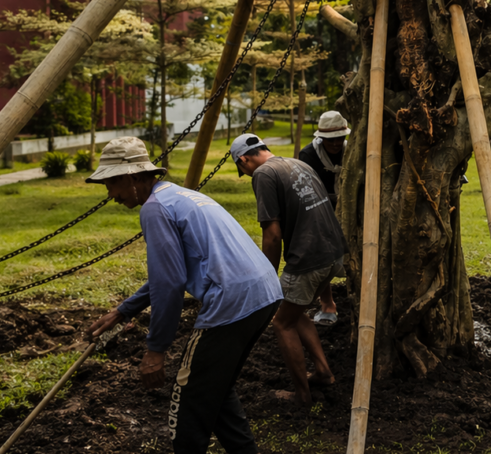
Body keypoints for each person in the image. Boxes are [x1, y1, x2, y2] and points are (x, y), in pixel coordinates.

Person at [85, 137, 282, 454]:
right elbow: (169, 273)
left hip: (231, 300)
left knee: (188, 400)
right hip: (264, 292)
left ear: (134, 177)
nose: (110, 194)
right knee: (214, 389)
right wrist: (123, 311)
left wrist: (156, 349)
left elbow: (169, 283)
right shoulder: (178, 196)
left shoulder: (154, 209)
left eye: (111, 183)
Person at [230, 134, 347, 404]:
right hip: (333, 252)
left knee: (282, 324)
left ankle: (302, 395)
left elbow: (272, 235)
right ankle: (323, 372)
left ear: (244, 159)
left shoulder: (263, 174)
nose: (247, 174)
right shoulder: (297, 163)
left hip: (309, 259)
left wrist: (266, 276)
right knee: (294, 313)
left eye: (242, 170)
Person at [297, 111, 350, 326]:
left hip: (351, 204)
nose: (337, 143)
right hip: (320, 207)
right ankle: (327, 303)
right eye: (331, 139)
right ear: (322, 138)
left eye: (340, 137)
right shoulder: (308, 155)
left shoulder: (352, 150)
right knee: (324, 256)